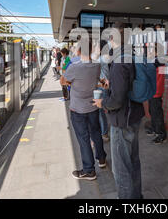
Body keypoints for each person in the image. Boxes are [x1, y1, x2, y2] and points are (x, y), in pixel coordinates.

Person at [93, 22, 145, 199]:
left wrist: (102, 103)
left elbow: (116, 101)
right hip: (134, 115)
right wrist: (112, 83)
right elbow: (127, 85)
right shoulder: (131, 55)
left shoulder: (119, 61)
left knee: (121, 169)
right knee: (133, 162)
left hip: (122, 120)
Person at [60, 38, 106, 180]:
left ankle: (89, 170)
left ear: (79, 51)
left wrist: (71, 81)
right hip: (92, 106)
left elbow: (63, 81)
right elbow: (97, 80)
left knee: (83, 139)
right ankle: (102, 159)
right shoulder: (96, 65)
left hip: (78, 109)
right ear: (91, 50)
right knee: (96, 133)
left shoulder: (75, 67)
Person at [146, 59, 167, 144]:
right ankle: (155, 129)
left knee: (157, 114)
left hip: (156, 92)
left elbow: (157, 77)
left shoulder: (158, 63)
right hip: (153, 91)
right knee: (152, 111)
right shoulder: (154, 62)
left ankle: (161, 134)